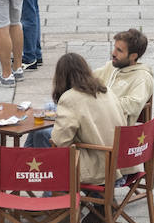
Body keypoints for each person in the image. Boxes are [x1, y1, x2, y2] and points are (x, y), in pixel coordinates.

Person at [49, 52, 132, 187]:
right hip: (121, 163)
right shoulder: (106, 90)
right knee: (42, 137)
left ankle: (52, 199)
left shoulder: (69, 98)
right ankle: (98, 203)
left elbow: (60, 141)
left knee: (43, 140)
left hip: (99, 167)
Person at [92, 28, 154, 122]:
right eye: (115, 48)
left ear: (133, 56)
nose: (113, 53)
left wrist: (101, 104)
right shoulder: (111, 66)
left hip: (114, 130)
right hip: (94, 120)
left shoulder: (142, 78)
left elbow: (134, 103)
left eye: (119, 50)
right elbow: (88, 78)